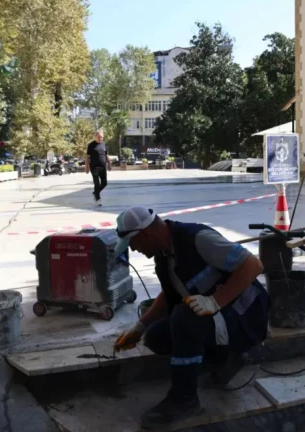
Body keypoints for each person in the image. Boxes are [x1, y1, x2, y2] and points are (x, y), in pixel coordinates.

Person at [113, 206, 269, 429]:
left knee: (185, 318)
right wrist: (140, 327)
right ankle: (224, 359)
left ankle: (184, 399)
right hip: (219, 320)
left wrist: (215, 301)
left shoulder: (198, 239)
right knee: (156, 337)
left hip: (246, 319)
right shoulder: (165, 256)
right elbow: (170, 296)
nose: (135, 250)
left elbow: (254, 265)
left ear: (145, 234)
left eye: (133, 244)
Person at [86, 130, 111, 206]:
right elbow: (87, 157)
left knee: (104, 183)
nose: (101, 138)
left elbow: (106, 155)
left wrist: (109, 163)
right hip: (94, 167)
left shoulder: (104, 144)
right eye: (99, 137)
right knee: (97, 183)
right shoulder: (91, 145)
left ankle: (95, 192)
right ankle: (98, 198)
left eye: (102, 137)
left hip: (103, 167)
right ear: (96, 136)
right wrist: (86, 167)